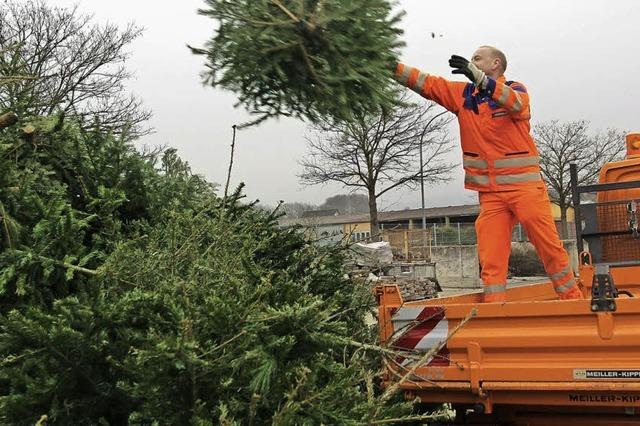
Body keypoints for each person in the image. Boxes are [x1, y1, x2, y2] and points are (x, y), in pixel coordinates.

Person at [394, 46, 582, 302]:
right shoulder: (463, 96)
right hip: (491, 195)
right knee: (491, 258)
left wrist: (482, 81)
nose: (472, 61)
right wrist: (388, 65)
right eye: (472, 59)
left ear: (496, 64)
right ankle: (494, 311)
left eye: (477, 59)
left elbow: (517, 105)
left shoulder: (515, 90)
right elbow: (426, 83)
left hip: (525, 189)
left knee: (548, 247)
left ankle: (573, 300)